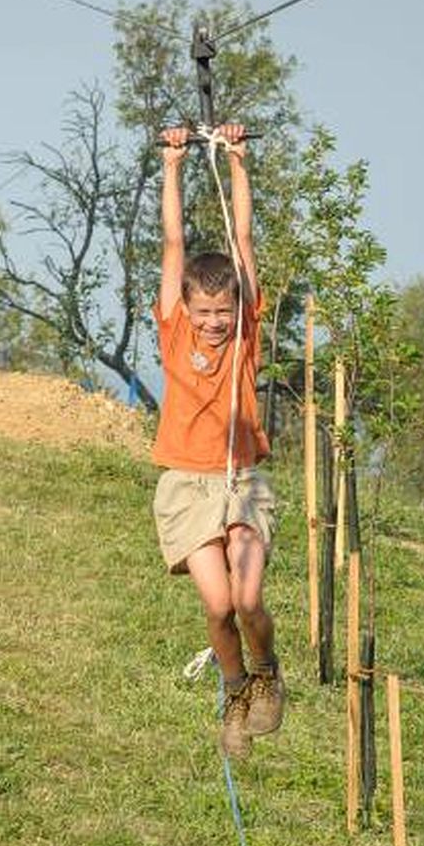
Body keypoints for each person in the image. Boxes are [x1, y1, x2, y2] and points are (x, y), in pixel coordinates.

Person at [152, 123, 283, 760]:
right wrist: (173, 163)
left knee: (249, 595)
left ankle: (267, 673)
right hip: (184, 481)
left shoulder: (245, 336)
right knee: (217, 602)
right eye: (203, 311)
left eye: (222, 313)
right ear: (185, 308)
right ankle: (234, 688)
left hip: (241, 478)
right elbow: (174, 240)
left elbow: (244, 236)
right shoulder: (175, 329)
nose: (212, 322)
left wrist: (236, 160)